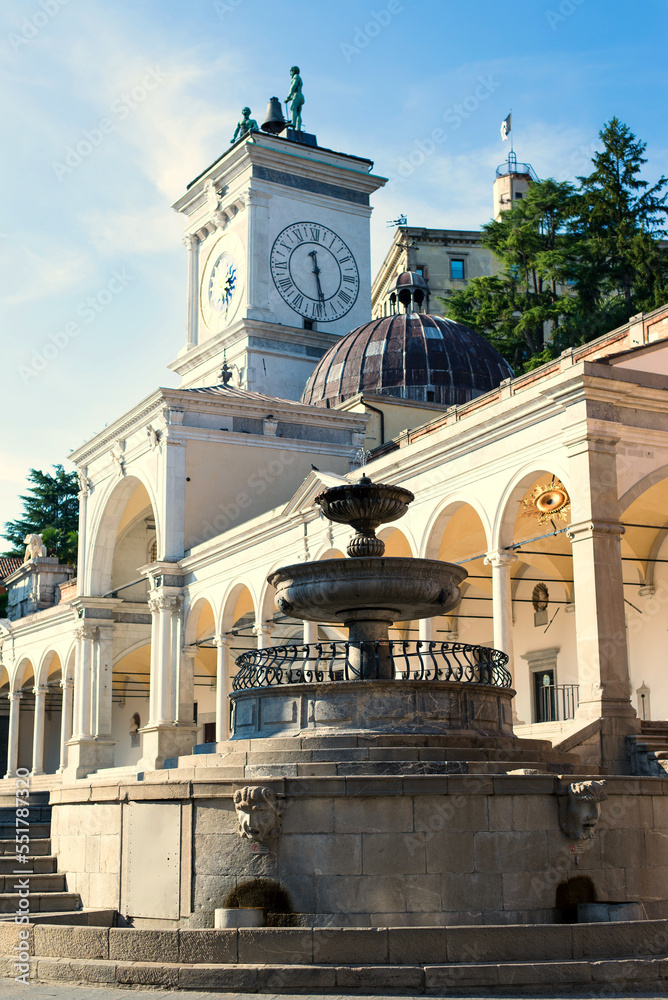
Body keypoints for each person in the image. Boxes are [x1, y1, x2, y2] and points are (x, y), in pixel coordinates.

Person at [285, 66, 304, 131]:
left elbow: (294, 86)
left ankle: (293, 123)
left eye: (290, 71)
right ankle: (298, 128)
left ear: (293, 71)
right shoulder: (299, 78)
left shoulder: (296, 77)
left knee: (293, 108)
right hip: (300, 96)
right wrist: (289, 99)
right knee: (298, 113)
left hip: (296, 95)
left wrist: (289, 95)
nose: (290, 73)